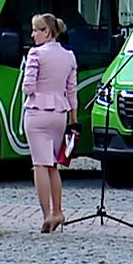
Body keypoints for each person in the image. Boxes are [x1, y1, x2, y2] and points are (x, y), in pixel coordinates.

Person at [21, 12, 79, 233]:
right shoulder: (69, 56)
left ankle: (46, 214)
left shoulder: (36, 54)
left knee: (39, 164)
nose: (33, 34)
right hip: (60, 113)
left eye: (36, 30)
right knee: (53, 164)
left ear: (47, 32)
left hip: (37, 111)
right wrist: (73, 119)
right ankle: (59, 210)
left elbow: (28, 87)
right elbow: (72, 91)